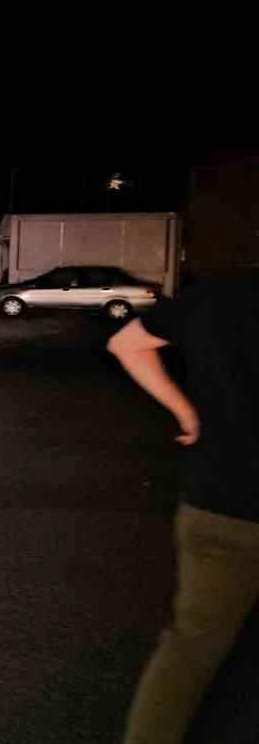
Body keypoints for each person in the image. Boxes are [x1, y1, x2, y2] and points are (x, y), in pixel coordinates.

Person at [108, 274, 259, 743]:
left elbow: (126, 345)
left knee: (190, 650)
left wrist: (186, 412)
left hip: (220, 502)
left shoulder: (218, 295)